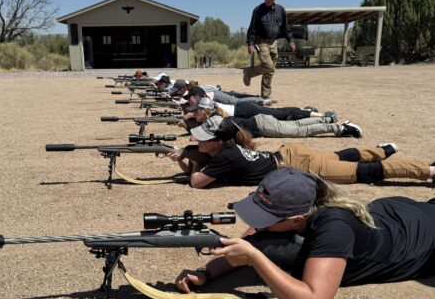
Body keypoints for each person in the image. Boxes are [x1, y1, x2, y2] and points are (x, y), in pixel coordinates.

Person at [175, 168, 435, 299]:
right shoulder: (298, 197)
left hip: (422, 237)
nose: (258, 225)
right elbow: (255, 236)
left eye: (267, 220)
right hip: (394, 213)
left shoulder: (334, 228)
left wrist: (254, 257)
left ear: (297, 219)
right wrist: (207, 272)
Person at [167, 115, 434, 189]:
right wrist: (191, 156)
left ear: (218, 143)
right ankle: (384, 149)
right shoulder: (226, 151)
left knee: (362, 173)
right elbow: (200, 169)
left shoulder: (225, 157)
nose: (198, 142)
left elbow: (196, 182)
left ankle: (428, 171)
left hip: (299, 167)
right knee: (342, 156)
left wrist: (189, 157)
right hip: (291, 155)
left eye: (203, 141)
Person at [182, 96, 354, 139]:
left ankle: (338, 128)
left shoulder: (217, 122)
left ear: (205, 111)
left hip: (263, 126)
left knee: (300, 131)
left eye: (197, 111)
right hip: (261, 121)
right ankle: (326, 119)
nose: (195, 113)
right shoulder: (217, 117)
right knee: (296, 124)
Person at [244, 0, 295, 99]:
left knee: (271, 70)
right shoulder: (258, 10)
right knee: (268, 66)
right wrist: (250, 43)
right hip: (260, 42)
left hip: (273, 42)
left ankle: (266, 95)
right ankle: (249, 72)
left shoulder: (280, 10)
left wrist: (291, 40)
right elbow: (252, 28)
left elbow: (285, 27)